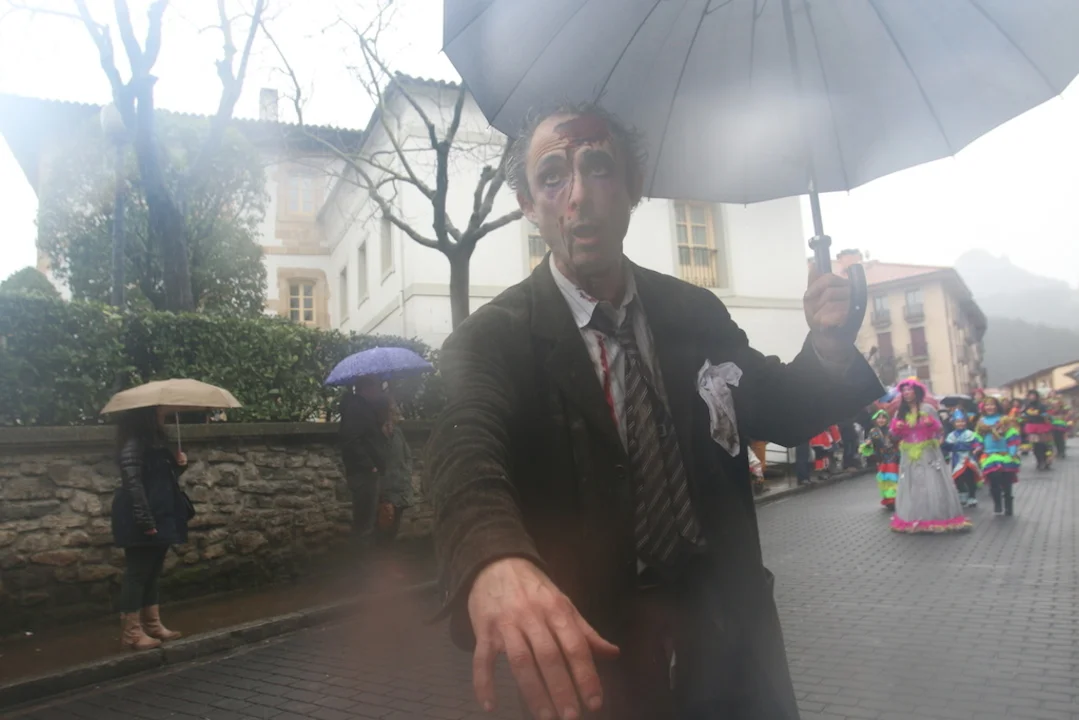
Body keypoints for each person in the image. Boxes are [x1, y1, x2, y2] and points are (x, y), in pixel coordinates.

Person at [427, 104, 883, 720]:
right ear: (528, 203)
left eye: (599, 167)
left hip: (729, 646)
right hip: (597, 661)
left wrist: (828, 346)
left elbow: (776, 405)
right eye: (553, 177)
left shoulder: (693, 312)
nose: (578, 196)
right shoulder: (492, 339)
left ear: (633, 186)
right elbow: (463, 447)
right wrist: (492, 555)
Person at [110, 406, 190, 650]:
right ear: (146, 417)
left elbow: (160, 480)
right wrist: (145, 520)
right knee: (137, 573)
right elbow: (134, 485)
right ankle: (132, 634)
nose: (163, 416)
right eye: (158, 413)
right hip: (142, 517)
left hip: (160, 514)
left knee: (153, 572)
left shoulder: (154, 444)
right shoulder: (134, 446)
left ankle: (153, 625)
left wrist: (179, 465)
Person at [889, 378, 971, 534]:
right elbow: (893, 434)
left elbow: (939, 430)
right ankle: (914, 516)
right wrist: (897, 427)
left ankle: (935, 516)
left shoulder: (927, 408)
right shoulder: (901, 412)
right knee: (913, 482)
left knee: (931, 480)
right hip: (908, 452)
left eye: (909, 390)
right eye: (904, 390)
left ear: (917, 391)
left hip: (927, 450)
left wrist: (930, 424)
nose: (906, 393)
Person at [339, 377, 389, 543]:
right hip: (363, 473)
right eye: (376, 387)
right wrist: (369, 465)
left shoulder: (363, 407)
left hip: (366, 472)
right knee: (363, 521)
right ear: (366, 388)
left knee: (367, 519)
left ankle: (363, 552)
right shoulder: (356, 408)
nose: (378, 391)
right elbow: (351, 440)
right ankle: (360, 555)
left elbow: (368, 436)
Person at [375, 400, 416, 545]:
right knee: (383, 519)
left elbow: (407, 455)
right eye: (393, 411)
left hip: (400, 485)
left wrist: (407, 471)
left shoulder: (398, 432)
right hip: (384, 486)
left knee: (396, 519)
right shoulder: (376, 433)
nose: (397, 414)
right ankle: (379, 550)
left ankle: (389, 549)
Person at [975, 396, 1020, 516]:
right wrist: (978, 446)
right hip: (989, 455)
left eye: (992, 404)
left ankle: (1008, 505)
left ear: (996, 406)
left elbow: (1012, 435)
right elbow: (978, 437)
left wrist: (1012, 451)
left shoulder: (1004, 420)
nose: (989, 407)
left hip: (1005, 455)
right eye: (987, 405)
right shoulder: (981, 422)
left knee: (1006, 481)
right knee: (994, 479)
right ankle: (997, 503)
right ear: (983, 407)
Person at [860, 409, 899, 510]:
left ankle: (894, 500)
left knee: (892, 479)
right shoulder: (873, 431)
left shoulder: (891, 430)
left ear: (887, 419)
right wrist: (868, 444)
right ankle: (887, 499)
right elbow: (868, 444)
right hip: (880, 459)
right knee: (884, 480)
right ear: (875, 419)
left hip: (892, 457)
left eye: (883, 418)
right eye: (879, 418)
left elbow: (897, 441)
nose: (881, 420)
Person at [942, 410, 981, 507]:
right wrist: (943, 445)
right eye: (958, 422)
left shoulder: (970, 434)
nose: (960, 424)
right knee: (958, 478)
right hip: (957, 459)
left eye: (962, 421)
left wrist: (977, 449)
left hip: (969, 459)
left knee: (970, 478)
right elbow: (947, 447)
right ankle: (962, 494)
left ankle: (972, 496)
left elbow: (977, 443)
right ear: (954, 423)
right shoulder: (951, 435)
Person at [1021, 389, 1054, 470]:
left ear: (1037, 396)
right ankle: (1039, 461)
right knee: (1036, 446)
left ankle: (1046, 461)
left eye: (1033, 395)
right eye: (1030, 395)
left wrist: (1046, 418)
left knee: (1044, 445)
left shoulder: (1041, 405)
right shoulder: (1027, 406)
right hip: (1032, 427)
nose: (1032, 397)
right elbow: (1023, 415)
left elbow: (1046, 416)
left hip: (1042, 427)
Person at [1047, 395, 1070, 459]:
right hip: (1053, 426)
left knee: (1061, 439)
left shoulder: (1062, 410)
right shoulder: (1050, 410)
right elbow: (1049, 417)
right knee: (1055, 439)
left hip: (1061, 426)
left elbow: (1067, 414)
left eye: (1056, 404)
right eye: (1054, 404)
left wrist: (1064, 418)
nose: (1055, 405)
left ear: (1059, 404)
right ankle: (1058, 451)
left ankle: (1062, 452)